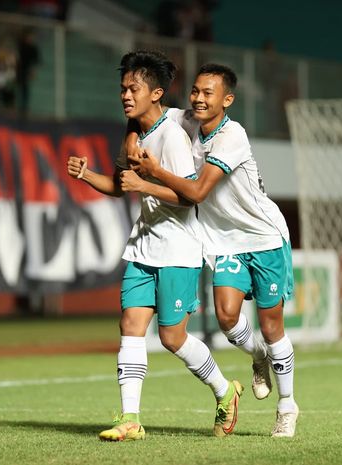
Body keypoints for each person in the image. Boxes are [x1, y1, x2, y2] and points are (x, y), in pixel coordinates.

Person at [66, 51, 242, 441]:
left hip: (178, 249)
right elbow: (119, 185)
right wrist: (87, 175)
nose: (126, 95)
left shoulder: (173, 136)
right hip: (142, 247)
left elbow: (190, 197)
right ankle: (130, 418)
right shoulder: (134, 133)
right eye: (123, 88)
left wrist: (145, 183)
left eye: (134, 88)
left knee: (172, 338)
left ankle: (224, 390)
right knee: (130, 325)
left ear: (157, 93)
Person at [124, 63, 299, 437]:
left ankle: (287, 406)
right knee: (227, 317)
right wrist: (129, 138)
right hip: (224, 241)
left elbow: (198, 192)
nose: (199, 99)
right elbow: (141, 113)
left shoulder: (232, 136)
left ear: (227, 100)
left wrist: (153, 172)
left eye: (208, 93)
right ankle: (257, 358)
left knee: (271, 326)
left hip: (264, 238)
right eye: (196, 91)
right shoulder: (186, 120)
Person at [16, 28, 40, 120]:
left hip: (25, 71)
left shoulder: (33, 48)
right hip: (18, 70)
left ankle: (24, 108)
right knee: (18, 88)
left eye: (31, 37)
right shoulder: (20, 46)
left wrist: (33, 71)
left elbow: (36, 62)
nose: (30, 38)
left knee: (25, 90)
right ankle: (15, 106)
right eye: (29, 37)